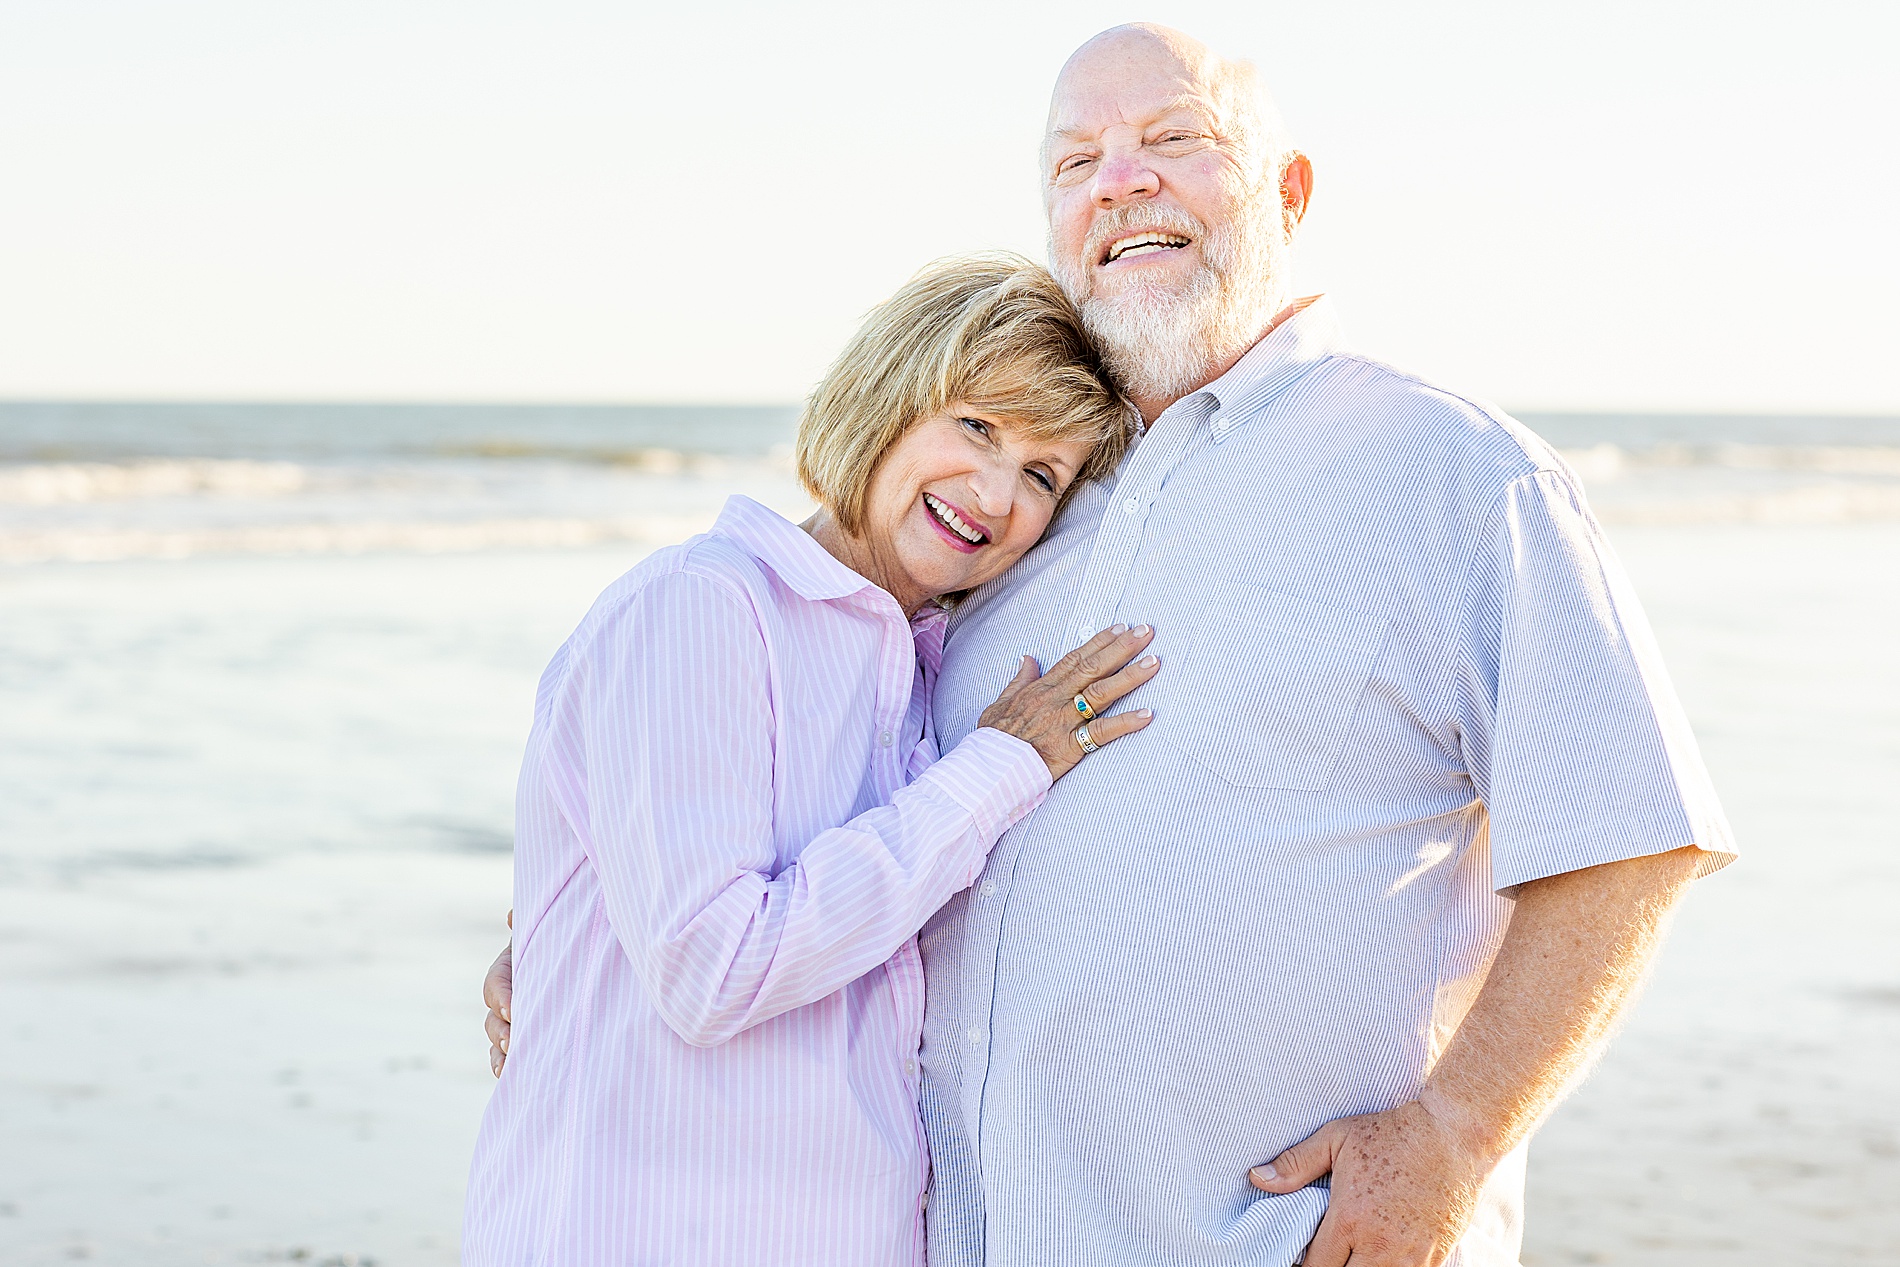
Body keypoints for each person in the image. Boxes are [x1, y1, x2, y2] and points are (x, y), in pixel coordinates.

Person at [488, 25, 1740, 1267]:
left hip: (1275, 1240)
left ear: (1290, 192)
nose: (1120, 180)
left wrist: (1454, 1137)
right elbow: (794, 798)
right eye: (1074, 159)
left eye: (1171, 140)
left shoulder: (1458, 476)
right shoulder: (1011, 521)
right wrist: (577, 924)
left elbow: (1628, 840)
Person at [462, 254, 1157, 1266]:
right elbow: (714, 967)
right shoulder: (703, 607)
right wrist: (1000, 765)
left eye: (1042, 475)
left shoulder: (926, 678)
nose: (995, 491)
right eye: (977, 426)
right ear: (890, 396)